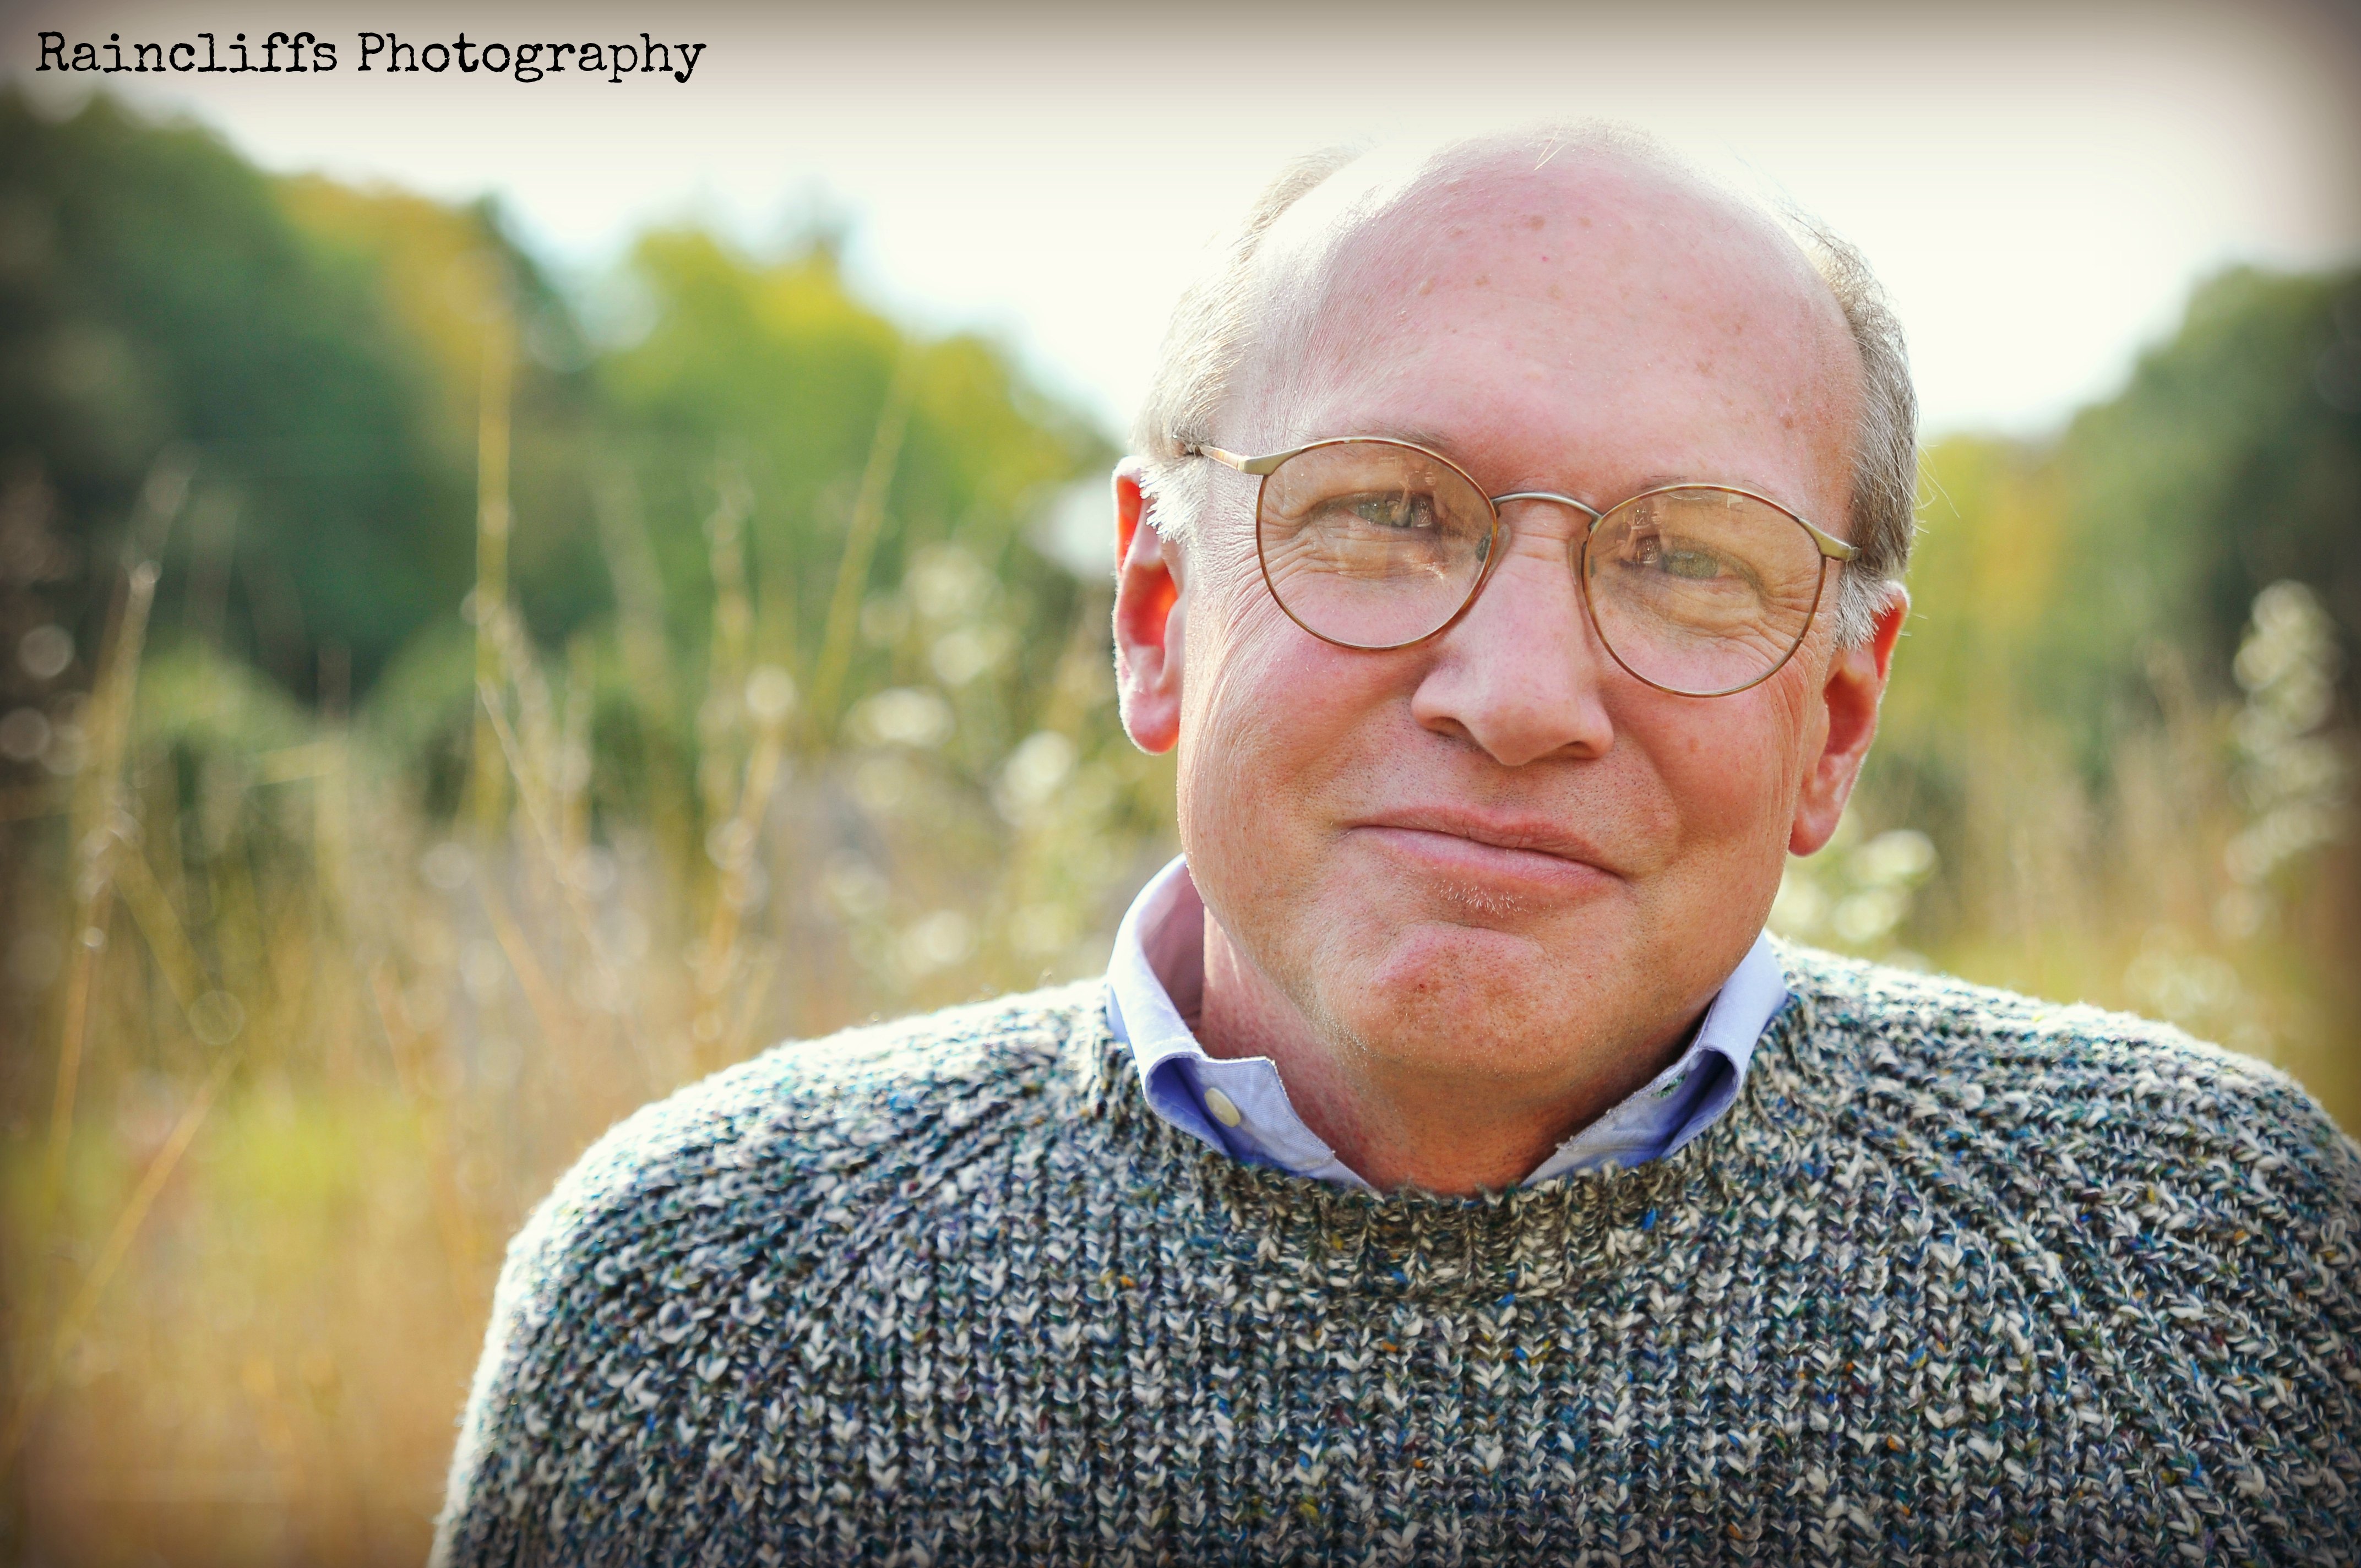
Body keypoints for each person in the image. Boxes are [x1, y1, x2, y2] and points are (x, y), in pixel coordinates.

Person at [433, 124, 2361, 1565]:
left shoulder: (2203, 1269)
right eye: (1387, 513)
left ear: (1837, 719)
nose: (1519, 695)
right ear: (1156, 616)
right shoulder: (700, 1304)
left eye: (1688, 558)